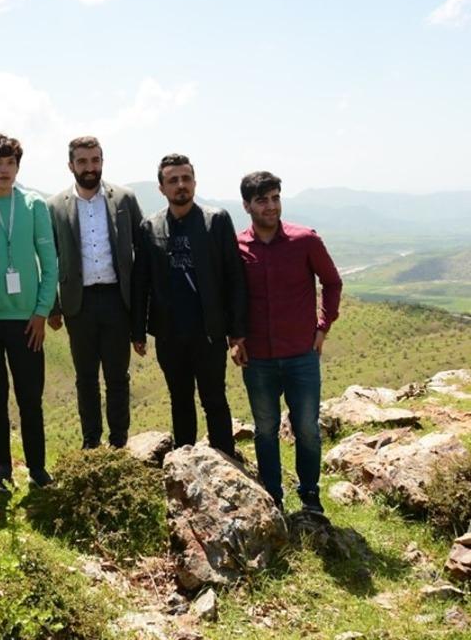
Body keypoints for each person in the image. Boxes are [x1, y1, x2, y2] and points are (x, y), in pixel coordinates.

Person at [237, 171, 342, 514]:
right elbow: (230, 297)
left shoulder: (305, 241)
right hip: (259, 359)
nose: (271, 206)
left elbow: (332, 282)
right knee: (265, 431)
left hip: (301, 355)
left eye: (275, 198)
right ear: (247, 205)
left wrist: (323, 326)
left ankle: (310, 496)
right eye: (262, 200)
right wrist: (234, 338)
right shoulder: (237, 247)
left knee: (308, 429)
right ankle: (273, 498)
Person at [131, 154, 247, 458]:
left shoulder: (216, 220)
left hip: (208, 330)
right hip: (169, 333)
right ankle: (184, 464)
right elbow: (140, 280)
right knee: (179, 399)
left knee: (214, 399)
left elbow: (234, 275)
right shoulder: (149, 227)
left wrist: (237, 330)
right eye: (173, 180)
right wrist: (138, 330)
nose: (181, 185)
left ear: (194, 182)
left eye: (186, 179)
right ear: (161, 188)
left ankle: (225, 461)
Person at [0, 133, 58, 489]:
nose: (4, 170)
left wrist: (40, 312)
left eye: (10, 163)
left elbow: (50, 263)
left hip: (27, 322)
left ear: (18, 166)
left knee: (30, 399)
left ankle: (37, 468)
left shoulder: (33, 205)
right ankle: (2, 467)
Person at [47, 136, 143, 449]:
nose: (90, 168)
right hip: (79, 303)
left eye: (95, 160)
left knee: (118, 376)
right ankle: (91, 442)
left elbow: (142, 252)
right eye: (83, 162)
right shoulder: (55, 206)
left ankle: (118, 442)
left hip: (118, 300)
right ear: (71, 165)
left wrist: (142, 305)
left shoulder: (124, 199)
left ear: (102, 161)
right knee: (85, 377)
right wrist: (53, 306)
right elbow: (48, 258)